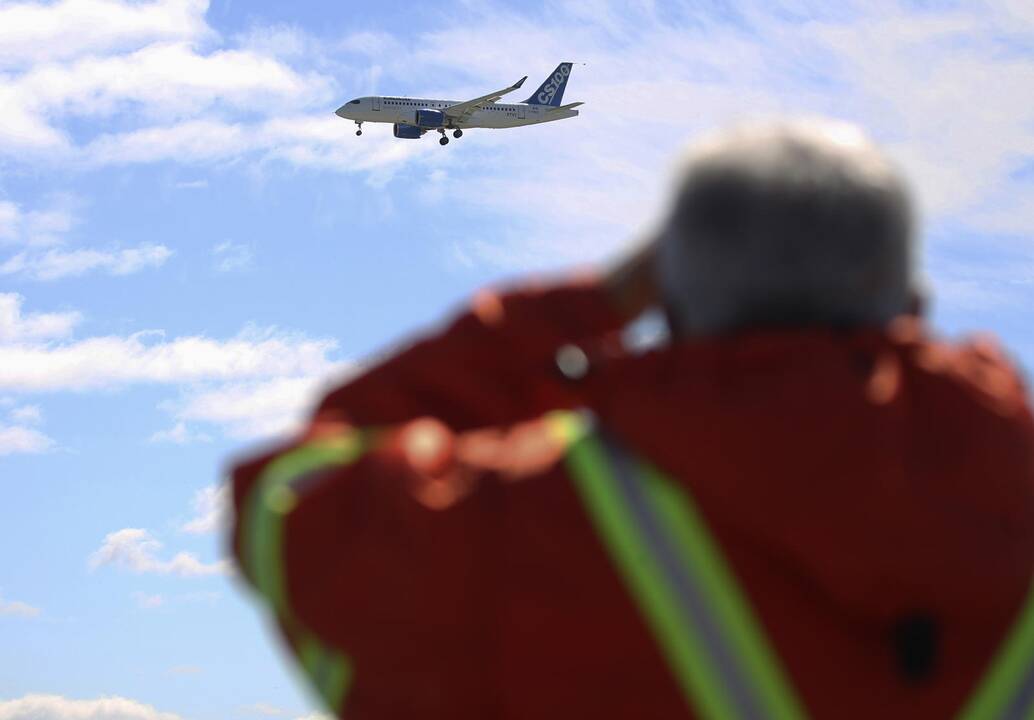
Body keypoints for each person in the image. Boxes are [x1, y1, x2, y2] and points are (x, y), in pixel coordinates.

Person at [229, 119, 1034, 719]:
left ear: (663, 301)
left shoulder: (522, 522)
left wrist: (586, 307)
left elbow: (287, 497)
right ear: (917, 310)